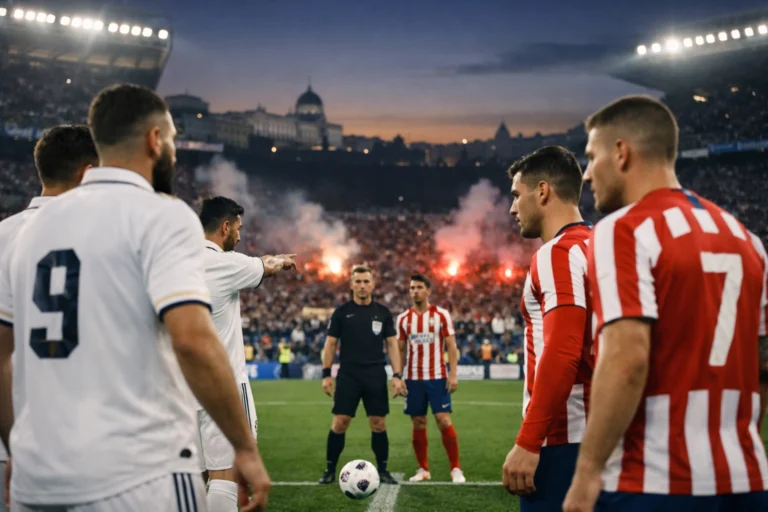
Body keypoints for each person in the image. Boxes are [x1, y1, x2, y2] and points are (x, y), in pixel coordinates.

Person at [0, 83, 270, 512]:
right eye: (173, 140)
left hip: (40, 465)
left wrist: (16, 447)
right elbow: (192, 341)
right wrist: (245, 447)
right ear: (154, 140)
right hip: (136, 468)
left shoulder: (30, 226)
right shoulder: (160, 214)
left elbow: (3, 355)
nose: (174, 152)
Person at [563, 95, 768, 512]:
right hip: (745, 478)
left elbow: (627, 361)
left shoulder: (622, 230)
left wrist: (587, 471)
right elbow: (762, 365)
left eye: (592, 156)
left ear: (621, 153)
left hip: (654, 480)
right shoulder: (746, 239)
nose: (587, 173)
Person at [0, 124, 99, 512]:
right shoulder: (103, 238)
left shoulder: (3, 235)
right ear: (88, 173)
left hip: (11, 446)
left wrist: (15, 447)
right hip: (82, 448)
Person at [500, 145, 594, 511]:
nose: (512, 208)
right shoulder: (605, 247)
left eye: (516, 194)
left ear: (542, 191)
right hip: (611, 434)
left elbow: (563, 351)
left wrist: (528, 441)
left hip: (564, 438)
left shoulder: (558, 253)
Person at [197, 195, 296, 512]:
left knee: (193, 478)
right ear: (225, 227)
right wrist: (280, 260)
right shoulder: (225, 263)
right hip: (223, 385)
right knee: (226, 475)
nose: (240, 236)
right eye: (238, 229)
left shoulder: (175, 261)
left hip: (180, 386)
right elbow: (266, 266)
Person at [317, 265, 407, 485]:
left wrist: (397, 375)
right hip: (348, 374)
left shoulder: (383, 313)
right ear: (351, 285)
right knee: (340, 422)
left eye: (366, 281)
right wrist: (326, 374)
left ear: (373, 285)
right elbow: (330, 344)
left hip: (375, 374)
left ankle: (383, 470)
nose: (362, 286)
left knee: (378, 423)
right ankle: (329, 470)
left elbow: (392, 345)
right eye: (358, 282)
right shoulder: (342, 312)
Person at [396, 273, 465, 483]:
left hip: (437, 377)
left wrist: (453, 374)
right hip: (413, 379)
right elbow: (400, 350)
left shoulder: (441, 315)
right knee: (418, 422)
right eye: (412, 288)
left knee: (443, 420)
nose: (415, 291)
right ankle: (423, 469)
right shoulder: (403, 319)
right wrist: (398, 376)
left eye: (419, 287)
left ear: (428, 291)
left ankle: (455, 468)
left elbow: (451, 346)